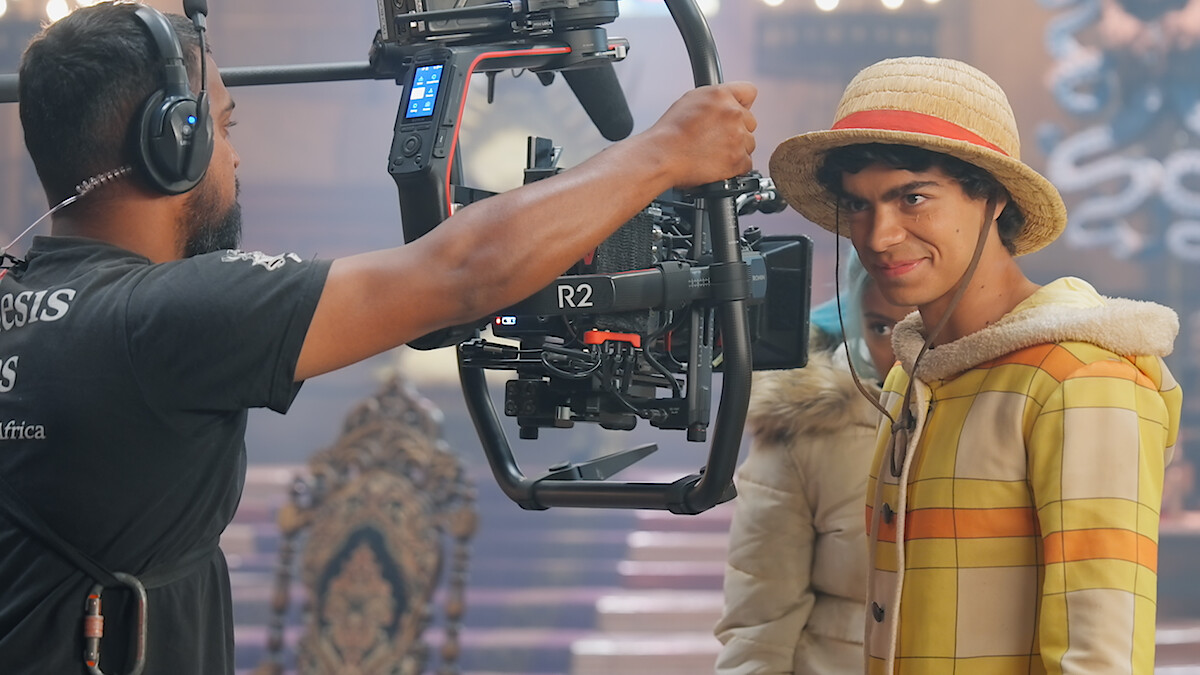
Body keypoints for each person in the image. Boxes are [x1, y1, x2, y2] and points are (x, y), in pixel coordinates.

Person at [0, 2, 757, 673]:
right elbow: (461, 272)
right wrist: (666, 150)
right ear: (175, 141)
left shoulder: (27, 303)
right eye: (224, 127)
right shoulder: (162, 318)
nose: (234, 156)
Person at [769, 56, 1183, 674]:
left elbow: (1100, 656)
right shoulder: (914, 374)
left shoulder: (1082, 379)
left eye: (913, 198)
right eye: (858, 206)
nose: (879, 235)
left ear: (990, 197)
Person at [714, 249, 913, 675]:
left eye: (920, 326)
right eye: (880, 327)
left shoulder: (1015, 410)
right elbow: (759, 622)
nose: (900, 349)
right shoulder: (805, 427)